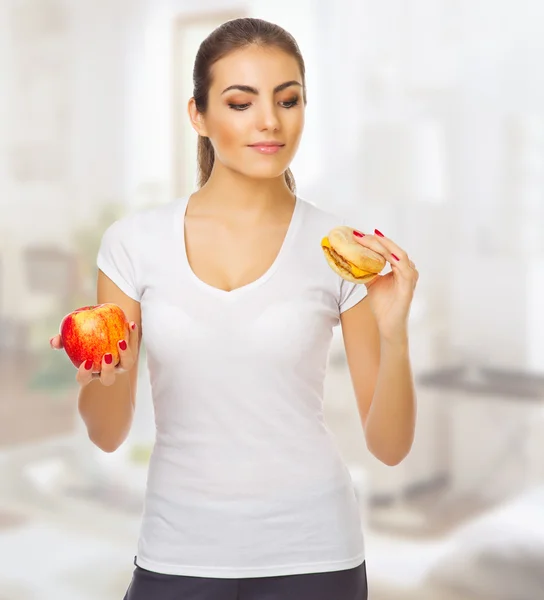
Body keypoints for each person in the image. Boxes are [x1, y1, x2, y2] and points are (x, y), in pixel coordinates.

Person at [50, 17, 419, 600]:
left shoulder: (341, 250)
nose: (270, 121)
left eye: (288, 99)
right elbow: (106, 434)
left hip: (316, 553)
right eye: (241, 102)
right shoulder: (132, 243)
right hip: (178, 551)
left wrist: (395, 332)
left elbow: (390, 447)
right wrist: (104, 377)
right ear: (198, 115)